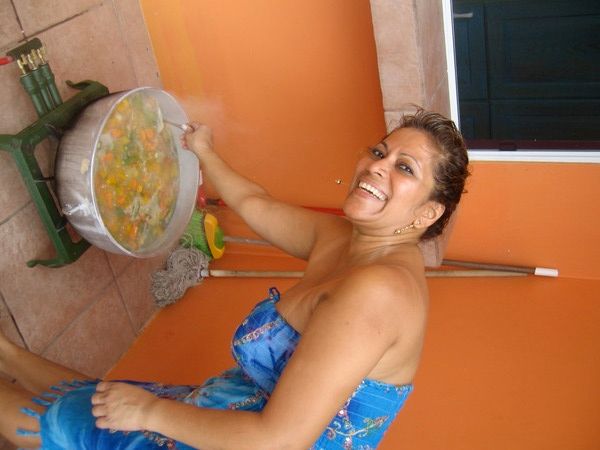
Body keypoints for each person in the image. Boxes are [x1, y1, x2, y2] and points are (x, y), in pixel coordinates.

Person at [0, 107, 469, 450]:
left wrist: (149, 412)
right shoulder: (345, 238)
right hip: (232, 410)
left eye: (404, 168)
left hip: (254, 441)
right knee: (100, 402)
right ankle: (6, 352)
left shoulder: (379, 292)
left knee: (66, 425)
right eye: (380, 151)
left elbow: (280, 440)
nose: (376, 166)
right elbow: (255, 203)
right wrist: (203, 150)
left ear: (427, 213)